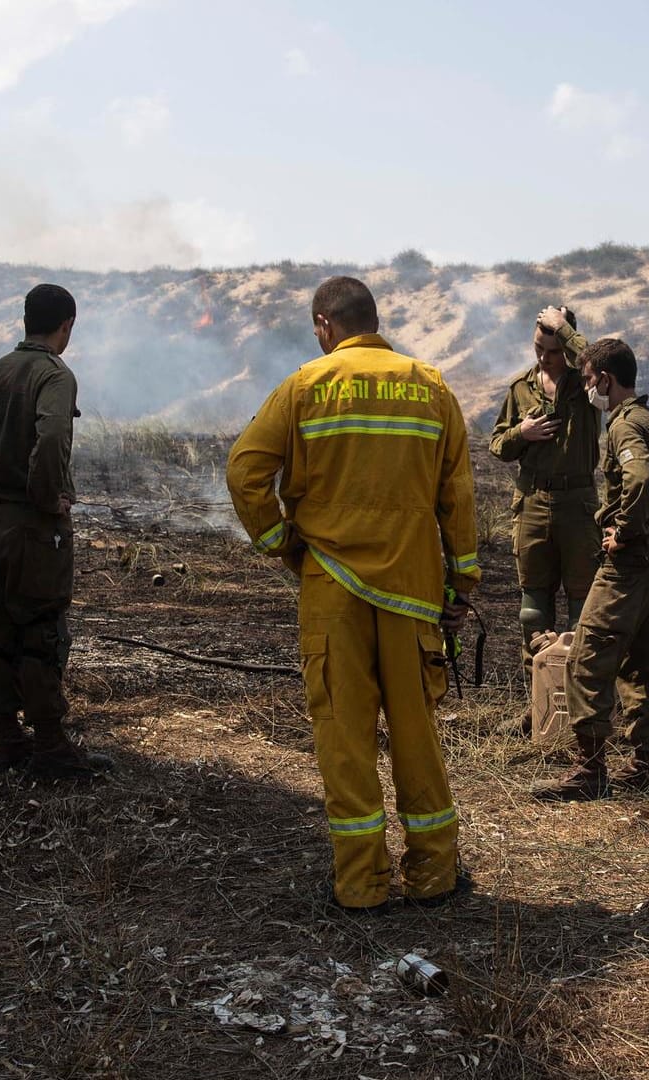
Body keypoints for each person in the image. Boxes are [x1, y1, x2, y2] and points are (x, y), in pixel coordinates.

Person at [226, 276, 480, 913]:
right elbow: (458, 495)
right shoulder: (431, 385)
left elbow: (244, 471)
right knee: (417, 735)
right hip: (415, 594)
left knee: (345, 739)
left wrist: (287, 546)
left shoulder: (306, 385)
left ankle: (362, 885)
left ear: (324, 324)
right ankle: (434, 876)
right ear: (374, 319)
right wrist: (461, 581)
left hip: (331, 588)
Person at [534, 338, 649, 801]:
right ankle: (643, 768)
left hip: (629, 562)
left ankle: (589, 770)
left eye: (589, 380)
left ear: (606, 380)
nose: (588, 388)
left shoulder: (624, 427)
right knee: (646, 663)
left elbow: (641, 478)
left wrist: (627, 530)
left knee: (587, 657)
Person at [0, 284, 112, 783]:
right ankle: (49, 745)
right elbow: (50, 441)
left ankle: (7, 740)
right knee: (43, 628)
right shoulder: (54, 375)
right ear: (66, 326)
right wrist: (46, 501)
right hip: (32, 524)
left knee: (2, 627)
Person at [487, 305, 602, 728]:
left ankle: (581, 711)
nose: (543, 358)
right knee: (532, 611)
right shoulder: (521, 388)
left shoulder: (588, 386)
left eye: (553, 350)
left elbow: (597, 361)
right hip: (532, 501)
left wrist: (565, 331)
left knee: (582, 610)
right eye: (539, 348)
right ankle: (536, 708)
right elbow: (497, 444)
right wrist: (522, 433)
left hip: (578, 504)